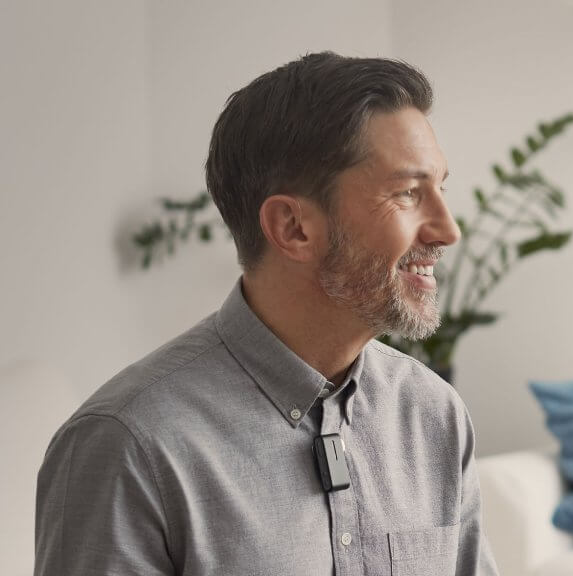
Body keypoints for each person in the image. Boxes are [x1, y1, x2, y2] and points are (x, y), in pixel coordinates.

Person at [34, 52, 499, 576]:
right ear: (293, 227)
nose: (448, 229)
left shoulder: (432, 414)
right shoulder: (129, 445)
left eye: (441, 189)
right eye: (408, 194)